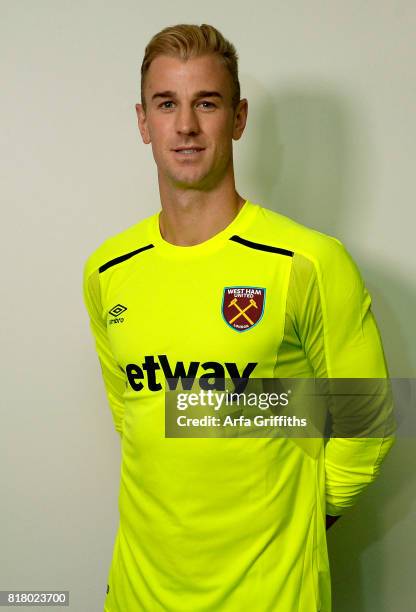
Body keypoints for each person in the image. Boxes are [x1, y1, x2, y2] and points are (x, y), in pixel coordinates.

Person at [82, 23, 396, 612]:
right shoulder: (107, 270)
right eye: (166, 104)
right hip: (137, 594)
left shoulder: (307, 262)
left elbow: (368, 418)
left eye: (207, 102)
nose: (186, 126)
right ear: (142, 121)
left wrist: (301, 522)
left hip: (272, 596)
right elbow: (137, 419)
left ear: (239, 117)